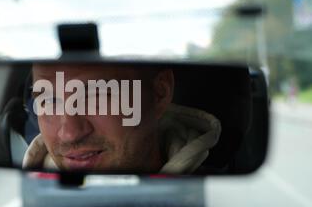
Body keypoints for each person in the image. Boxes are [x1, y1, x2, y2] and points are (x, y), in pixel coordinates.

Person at [22, 63, 221, 174]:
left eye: (95, 94)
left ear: (159, 93)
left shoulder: (220, 206)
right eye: (49, 100)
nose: (69, 133)